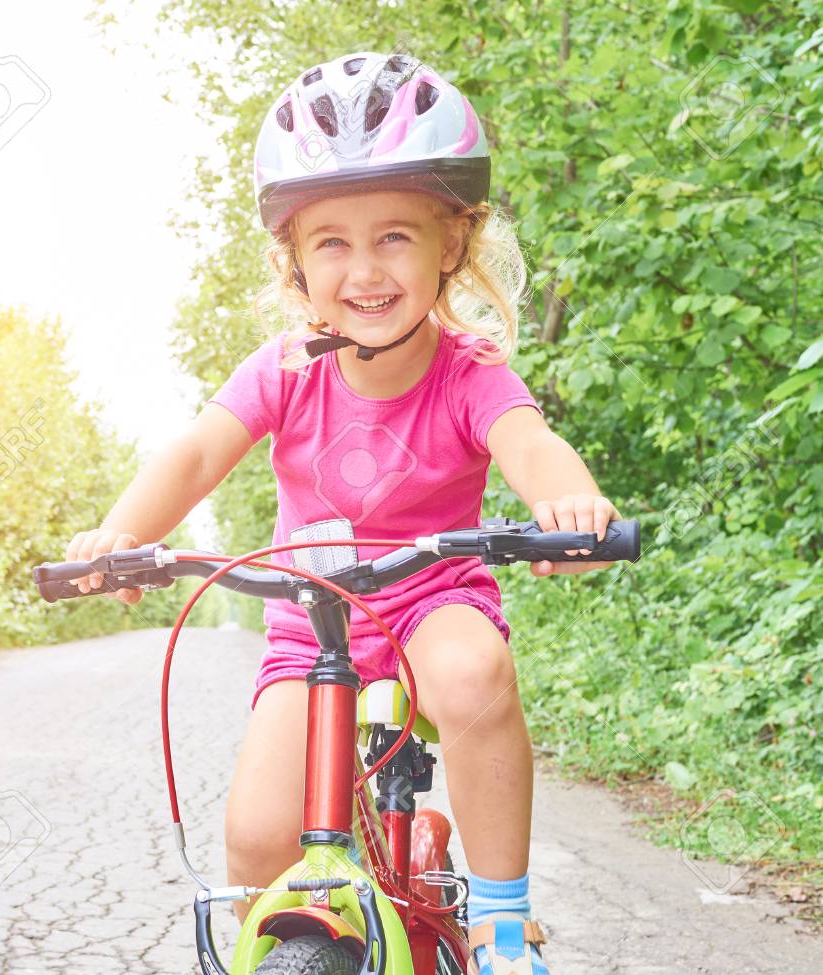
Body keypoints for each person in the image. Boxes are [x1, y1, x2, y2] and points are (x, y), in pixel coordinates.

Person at [65, 51, 622, 975]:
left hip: (430, 599)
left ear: (452, 242)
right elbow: (197, 452)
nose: (365, 270)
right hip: (312, 623)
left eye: (395, 236)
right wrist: (124, 533)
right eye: (332, 242)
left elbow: (529, 444)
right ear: (294, 257)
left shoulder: (468, 371)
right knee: (256, 837)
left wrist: (569, 501)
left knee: (474, 674)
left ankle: (501, 922)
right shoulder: (285, 371)